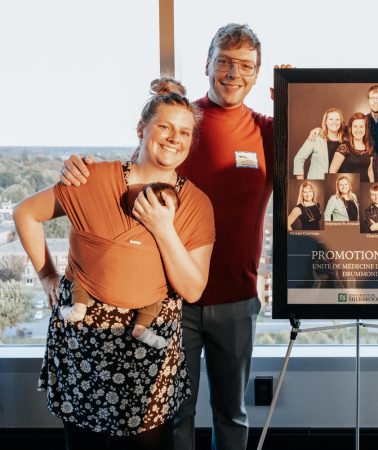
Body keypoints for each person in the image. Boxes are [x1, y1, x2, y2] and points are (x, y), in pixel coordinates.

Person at [60, 23, 277, 450]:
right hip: (170, 297)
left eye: (245, 66)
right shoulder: (184, 123)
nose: (233, 73)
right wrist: (79, 171)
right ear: (208, 64)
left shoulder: (268, 131)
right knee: (174, 411)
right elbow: (136, 170)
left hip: (236, 295)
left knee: (231, 412)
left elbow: (327, 150)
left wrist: (295, 96)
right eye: (225, 62)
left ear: (257, 74)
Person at [14, 78, 215, 449]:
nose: (174, 138)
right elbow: (25, 213)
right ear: (141, 129)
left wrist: (163, 228)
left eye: (184, 132)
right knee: (85, 443)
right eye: (165, 126)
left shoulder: (197, 205)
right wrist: (46, 275)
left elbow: (192, 288)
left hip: (148, 348)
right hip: (84, 345)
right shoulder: (91, 179)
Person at [62, 182, 181, 349]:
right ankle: (141, 327)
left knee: (82, 272)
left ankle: (78, 307)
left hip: (116, 280)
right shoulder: (164, 230)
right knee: (157, 294)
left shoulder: (142, 225)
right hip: (140, 284)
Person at [293, 108, 345, 180]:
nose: (334, 122)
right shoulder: (316, 137)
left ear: (341, 122)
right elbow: (298, 159)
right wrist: (301, 182)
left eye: (337, 119)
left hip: (337, 183)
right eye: (331, 119)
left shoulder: (345, 140)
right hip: (318, 183)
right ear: (325, 122)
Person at [329, 112, 375, 182]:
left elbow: (370, 170)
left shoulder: (369, 148)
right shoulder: (343, 147)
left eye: (361, 126)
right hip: (349, 187)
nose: (358, 130)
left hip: (365, 187)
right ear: (351, 128)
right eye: (355, 126)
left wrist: (371, 185)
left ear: (366, 129)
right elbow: (333, 170)